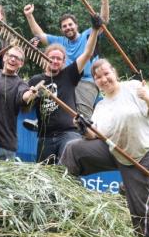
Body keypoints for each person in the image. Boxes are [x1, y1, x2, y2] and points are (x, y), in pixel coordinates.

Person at [59, 58, 149, 237]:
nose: (104, 79)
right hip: (116, 151)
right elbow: (95, 134)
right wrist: (83, 127)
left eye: (107, 74)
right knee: (73, 148)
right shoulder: (100, 105)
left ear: (114, 73)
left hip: (144, 153)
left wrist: (148, 97)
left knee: (140, 207)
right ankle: (59, 190)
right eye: (98, 77)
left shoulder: (133, 87)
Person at [24, 0, 109, 119]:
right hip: (65, 82)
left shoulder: (88, 35)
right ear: (61, 29)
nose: (68, 28)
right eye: (64, 26)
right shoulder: (59, 41)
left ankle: (86, 132)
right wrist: (29, 16)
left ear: (76, 25)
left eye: (70, 24)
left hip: (86, 82)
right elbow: (39, 34)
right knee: (56, 108)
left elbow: (102, 21)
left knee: (81, 115)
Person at [27, 15, 102, 164]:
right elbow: (24, 101)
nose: (54, 61)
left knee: (67, 169)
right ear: (44, 58)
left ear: (63, 62)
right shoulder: (36, 79)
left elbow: (87, 53)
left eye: (58, 59)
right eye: (51, 58)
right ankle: (38, 122)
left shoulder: (68, 74)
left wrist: (95, 29)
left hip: (69, 130)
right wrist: (29, 15)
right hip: (46, 136)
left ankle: (85, 131)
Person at [0, 45, 37, 160]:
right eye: (11, 56)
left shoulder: (21, 84)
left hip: (4, 145)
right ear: (4, 57)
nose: (13, 59)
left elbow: (23, 96)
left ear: (21, 64)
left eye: (17, 58)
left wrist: (30, 94)